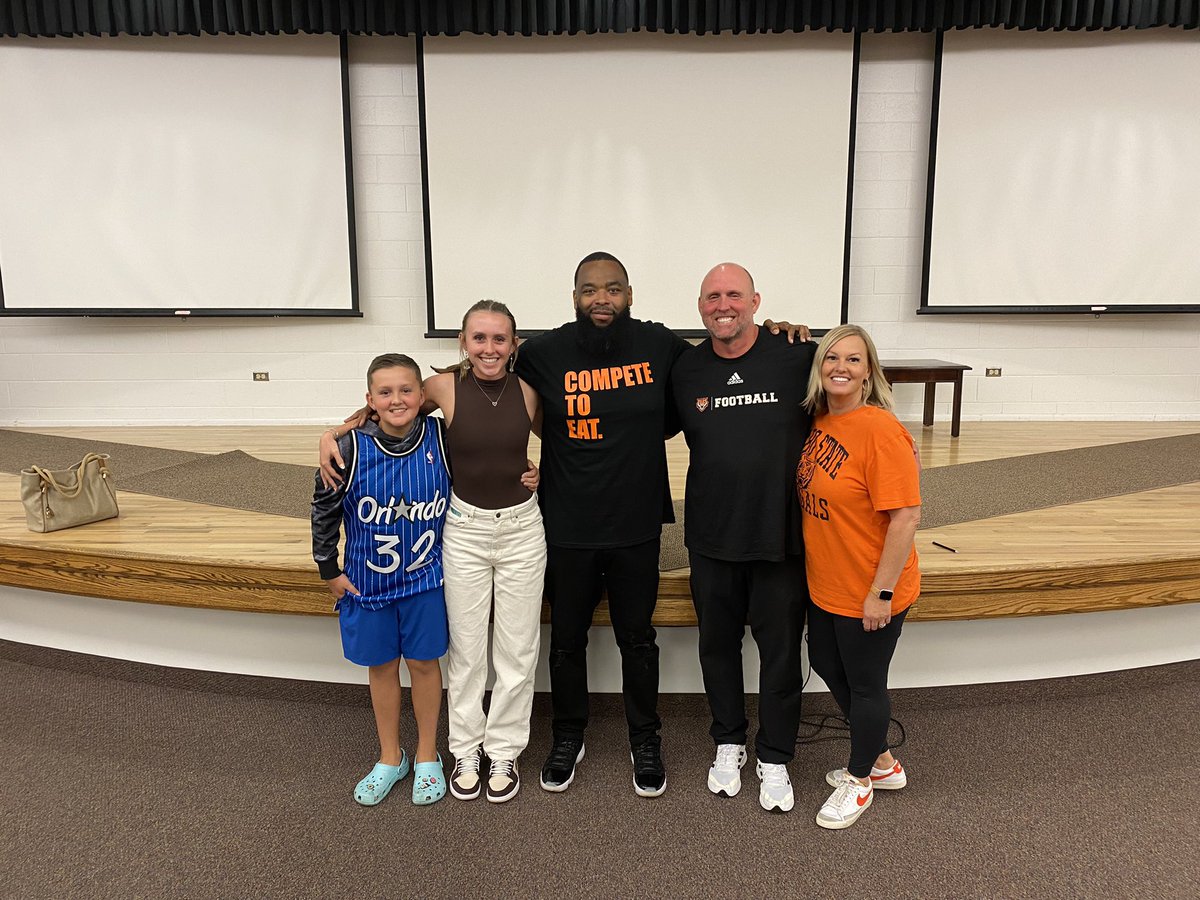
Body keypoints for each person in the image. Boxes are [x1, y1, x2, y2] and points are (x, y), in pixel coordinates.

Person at [319, 301, 544, 804]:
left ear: (514, 345)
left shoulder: (529, 392)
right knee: (466, 649)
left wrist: (541, 471)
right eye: (479, 338)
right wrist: (332, 433)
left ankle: (503, 750)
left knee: (517, 649)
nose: (489, 348)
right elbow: (384, 410)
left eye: (500, 339)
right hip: (463, 529)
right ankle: (463, 750)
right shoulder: (442, 387)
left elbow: (566, 446)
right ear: (463, 342)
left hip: (522, 531)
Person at [516, 252, 690, 797]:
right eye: (590, 290)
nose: (601, 299)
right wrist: (370, 413)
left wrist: (783, 332)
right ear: (574, 297)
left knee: (637, 639)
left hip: (636, 523)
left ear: (630, 294)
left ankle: (646, 737)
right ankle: (569, 733)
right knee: (566, 642)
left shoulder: (660, 345)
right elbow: (473, 384)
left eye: (613, 289)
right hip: (566, 524)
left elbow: (728, 358)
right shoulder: (542, 353)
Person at [669, 263, 815, 813]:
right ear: (700, 305)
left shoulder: (797, 355)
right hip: (712, 538)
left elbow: (856, 396)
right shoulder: (685, 369)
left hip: (781, 538)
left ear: (755, 300)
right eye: (712, 296)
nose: (722, 304)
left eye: (733, 294)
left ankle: (774, 756)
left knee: (780, 655)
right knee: (717, 649)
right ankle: (728, 743)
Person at [311, 353, 451, 807]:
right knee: (382, 668)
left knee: (426, 666)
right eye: (385, 392)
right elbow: (324, 509)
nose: (397, 399)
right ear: (369, 400)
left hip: (425, 580)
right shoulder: (348, 448)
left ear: (422, 395)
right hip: (368, 584)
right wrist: (328, 567)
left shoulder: (441, 436)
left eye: (407, 390)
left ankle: (428, 753)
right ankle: (391, 756)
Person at [796, 324, 921, 830]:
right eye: (831, 358)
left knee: (867, 686)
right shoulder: (822, 420)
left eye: (852, 360)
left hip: (872, 587)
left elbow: (906, 517)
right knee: (827, 664)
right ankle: (884, 763)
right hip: (827, 581)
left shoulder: (881, 430)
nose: (840, 368)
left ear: (869, 370)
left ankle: (860, 780)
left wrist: (881, 593)